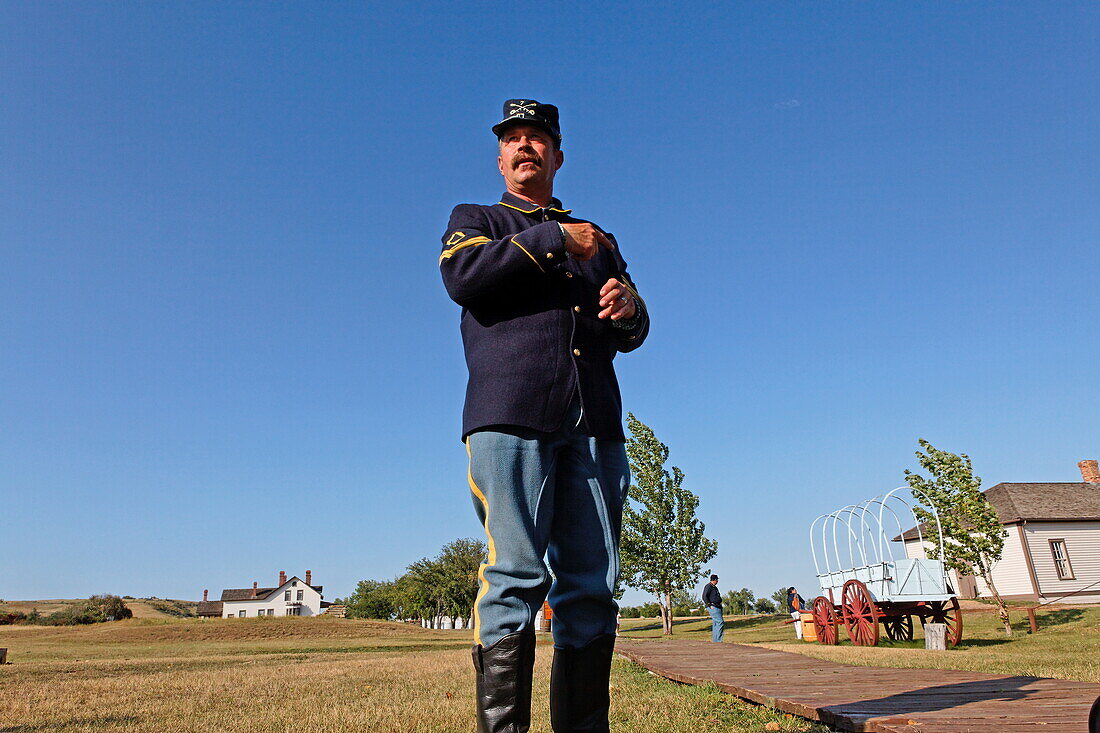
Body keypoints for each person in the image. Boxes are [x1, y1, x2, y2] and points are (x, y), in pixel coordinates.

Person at [439, 99, 650, 733]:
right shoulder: (477, 219)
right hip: (510, 415)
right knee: (514, 575)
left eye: (539, 138)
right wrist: (555, 238)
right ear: (500, 157)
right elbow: (463, 275)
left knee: (591, 585)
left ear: (558, 156)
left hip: (595, 423)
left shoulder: (601, 240)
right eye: (514, 139)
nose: (526, 146)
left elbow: (634, 331)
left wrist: (631, 307)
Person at [703, 574, 724, 642]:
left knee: (715, 623)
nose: (717, 581)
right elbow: (704, 596)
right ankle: (718, 640)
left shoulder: (714, 587)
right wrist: (709, 605)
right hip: (713, 606)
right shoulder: (708, 586)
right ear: (714, 580)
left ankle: (715, 640)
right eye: (716, 580)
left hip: (717, 606)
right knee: (720, 622)